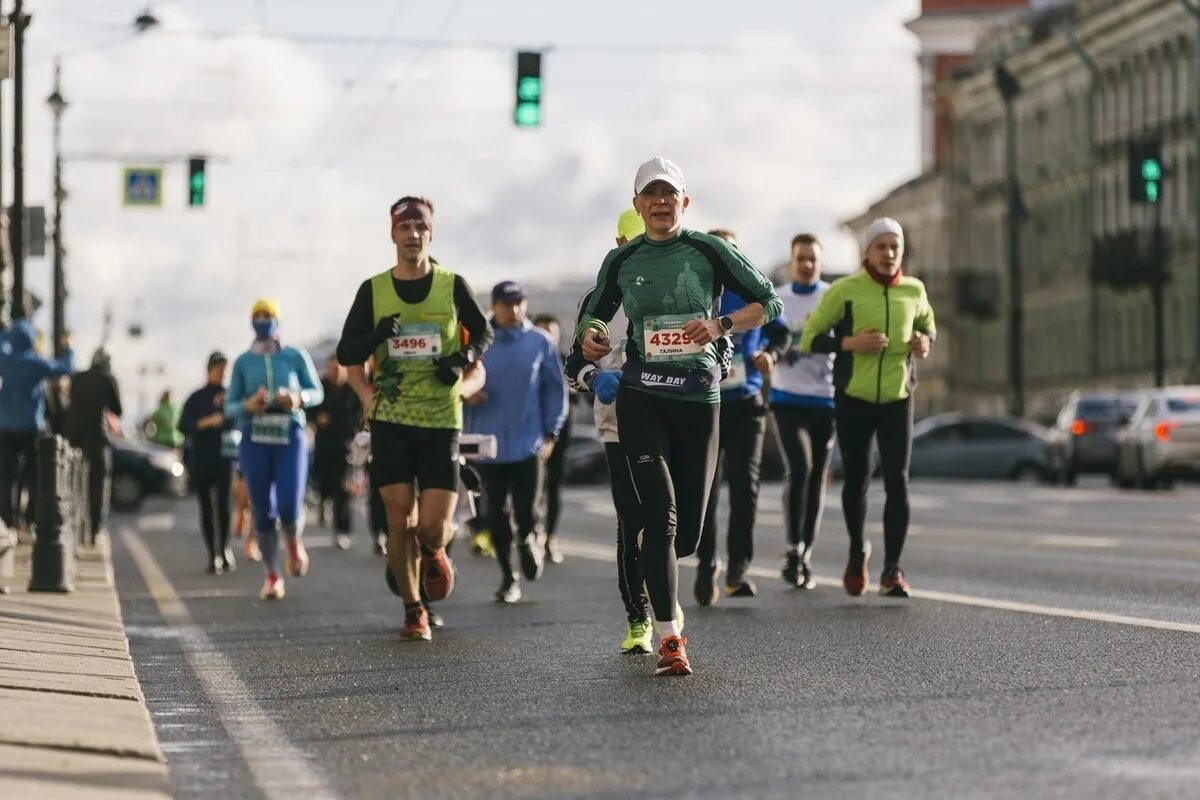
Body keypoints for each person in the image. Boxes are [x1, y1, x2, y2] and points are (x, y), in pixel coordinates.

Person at [577, 157, 783, 676]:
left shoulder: (709, 250)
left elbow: (769, 302)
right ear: (638, 204)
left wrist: (722, 324)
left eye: (670, 194)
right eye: (652, 194)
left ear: (684, 202)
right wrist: (592, 333)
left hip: (698, 402)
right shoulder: (621, 260)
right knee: (660, 519)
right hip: (642, 397)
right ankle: (670, 637)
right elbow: (594, 311)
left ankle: (663, 569)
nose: (661, 202)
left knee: (686, 533)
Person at [335, 195, 491, 641]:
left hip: (442, 417)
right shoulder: (373, 290)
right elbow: (347, 353)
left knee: (432, 527)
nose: (413, 234)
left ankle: (435, 552)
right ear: (392, 234)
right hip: (392, 418)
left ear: (430, 232)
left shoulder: (452, 284)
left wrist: (462, 358)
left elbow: (484, 332)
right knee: (398, 517)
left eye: (420, 227)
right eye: (405, 227)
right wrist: (376, 338)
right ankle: (413, 609)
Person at [798, 217, 935, 598]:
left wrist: (924, 342)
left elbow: (928, 327)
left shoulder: (914, 290)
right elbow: (810, 338)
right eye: (881, 247)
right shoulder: (846, 291)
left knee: (898, 480)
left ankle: (893, 569)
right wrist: (849, 344)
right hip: (853, 397)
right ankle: (858, 550)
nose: (889, 254)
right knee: (857, 478)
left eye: (895, 247)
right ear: (867, 252)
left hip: (897, 398)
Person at [564, 207, 655, 655]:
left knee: (673, 522)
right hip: (618, 423)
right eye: (633, 244)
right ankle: (639, 617)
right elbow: (572, 364)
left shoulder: (679, 287)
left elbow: (715, 342)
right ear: (618, 246)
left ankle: (667, 596)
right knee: (631, 520)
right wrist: (593, 378)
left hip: (671, 417)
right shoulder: (598, 300)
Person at [694, 229, 791, 605]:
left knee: (744, 487)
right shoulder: (693, 289)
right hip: (704, 402)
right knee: (706, 489)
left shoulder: (752, 292)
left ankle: (738, 570)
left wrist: (771, 355)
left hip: (746, 401)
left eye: (731, 252)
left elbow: (781, 334)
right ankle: (706, 564)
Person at [466, 282, 567, 603]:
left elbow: (555, 388)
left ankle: (527, 539)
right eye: (506, 304)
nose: (513, 310)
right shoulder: (478, 340)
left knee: (527, 509)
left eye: (518, 303)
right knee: (495, 512)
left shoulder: (540, 342)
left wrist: (551, 431)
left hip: (529, 442)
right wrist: (467, 392)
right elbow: (456, 377)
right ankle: (508, 577)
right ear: (493, 306)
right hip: (487, 442)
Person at [226, 298, 324, 601]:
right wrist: (247, 405)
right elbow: (230, 406)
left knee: (287, 505)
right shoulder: (243, 361)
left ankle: (293, 540)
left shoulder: (295, 355)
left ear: (278, 320)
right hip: (255, 438)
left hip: (290, 435)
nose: (262, 319)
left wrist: (297, 399)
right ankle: (272, 576)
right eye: (257, 315)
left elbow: (317, 391)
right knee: (263, 513)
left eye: (268, 315)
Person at [772, 233, 837, 589]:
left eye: (813, 258)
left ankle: (804, 552)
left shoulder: (833, 298)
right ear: (792, 261)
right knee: (799, 467)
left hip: (825, 400)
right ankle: (791, 546)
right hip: (786, 398)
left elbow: (846, 341)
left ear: (820, 262)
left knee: (816, 477)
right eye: (801, 258)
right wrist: (772, 353)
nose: (807, 264)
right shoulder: (777, 300)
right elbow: (765, 341)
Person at [0, 322, 74, 532]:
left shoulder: (4, 361)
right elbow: (64, 369)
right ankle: (30, 520)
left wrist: (6, 335)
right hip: (31, 428)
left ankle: (8, 522)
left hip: (5, 428)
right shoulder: (35, 364)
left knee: (7, 479)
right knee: (35, 477)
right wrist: (68, 348)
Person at [178, 352, 237, 574]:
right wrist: (205, 422)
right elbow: (183, 426)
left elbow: (239, 420)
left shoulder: (232, 395)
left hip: (226, 458)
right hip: (202, 459)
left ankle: (225, 549)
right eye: (219, 369)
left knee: (224, 507)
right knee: (206, 509)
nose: (222, 374)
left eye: (225, 370)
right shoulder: (196, 397)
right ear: (210, 370)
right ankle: (212, 554)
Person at [64, 348, 122, 541]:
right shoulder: (107, 379)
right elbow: (117, 409)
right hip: (97, 436)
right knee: (98, 484)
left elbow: (70, 402)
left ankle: (74, 525)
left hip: (74, 437)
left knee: (72, 481)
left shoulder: (78, 377)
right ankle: (95, 529)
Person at [311, 354, 360, 550]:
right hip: (323, 446)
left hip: (345, 447)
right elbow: (309, 409)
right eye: (331, 369)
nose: (335, 373)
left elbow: (360, 413)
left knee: (342, 490)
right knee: (324, 485)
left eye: (338, 369)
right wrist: (316, 418)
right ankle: (323, 501)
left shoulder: (352, 390)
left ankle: (342, 530)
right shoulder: (320, 387)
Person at [532, 313, 570, 565]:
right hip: (531, 430)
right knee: (533, 488)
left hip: (560, 431)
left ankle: (550, 537)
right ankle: (533, 533)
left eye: (550, 331)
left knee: (554, 486)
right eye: (541, 330)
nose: (546, 335)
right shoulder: (527, 359)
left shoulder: (567, 361)